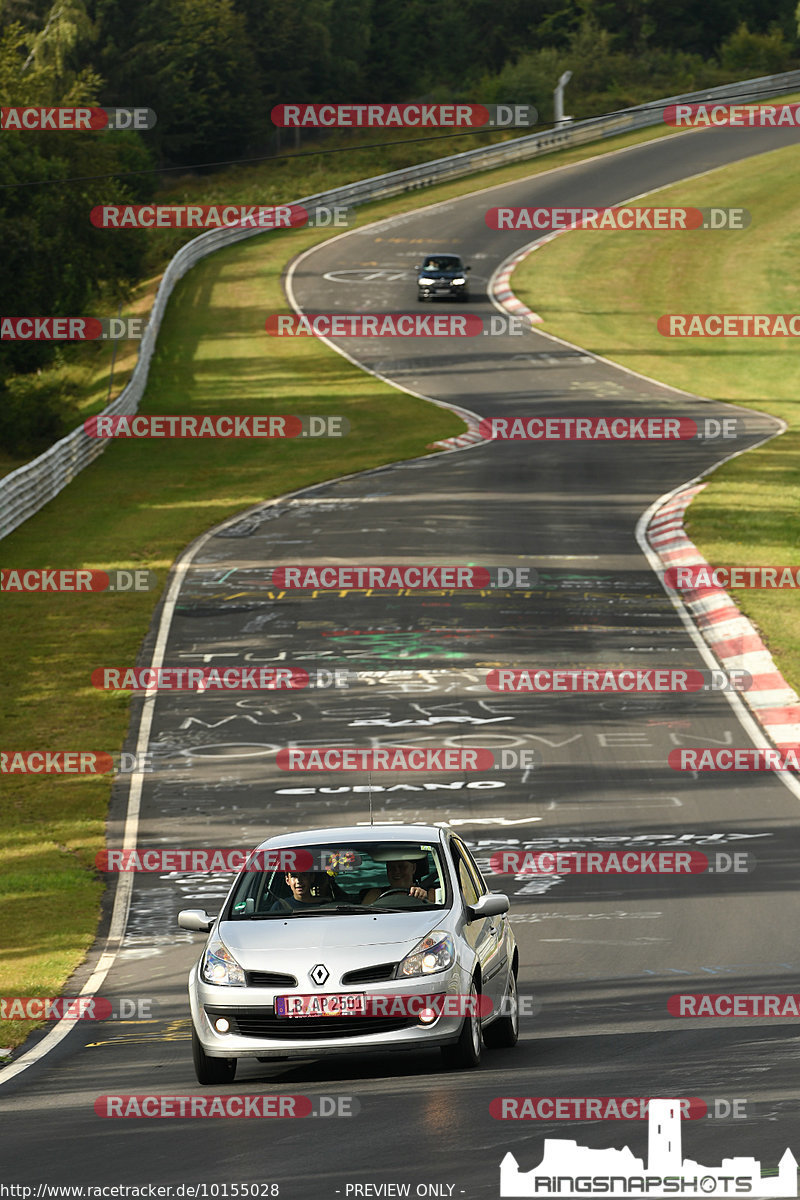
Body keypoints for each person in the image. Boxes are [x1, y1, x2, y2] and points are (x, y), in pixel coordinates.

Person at [361, 858, 434, 905]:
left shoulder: (429, 893)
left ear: (413, 868)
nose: (396, 871)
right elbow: (363, 916)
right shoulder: (375, 894)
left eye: (402, 867)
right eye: (391, 867)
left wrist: (425, 898)